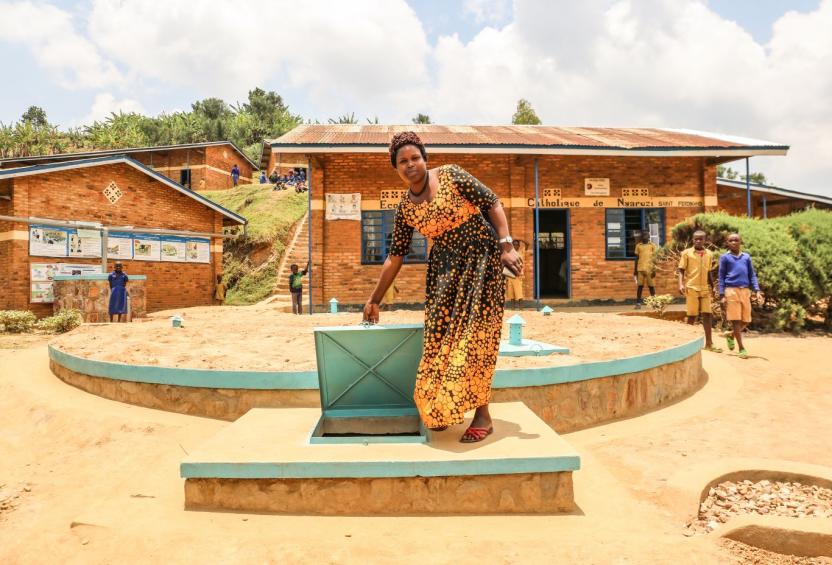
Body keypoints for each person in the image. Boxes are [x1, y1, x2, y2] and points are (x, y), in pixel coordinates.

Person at [363, 131, 523, 443]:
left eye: (415, 158)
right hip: (444, 270)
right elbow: (395, 256)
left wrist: (506, 245)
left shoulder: (451, 175)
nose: (411, 165)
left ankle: (483, 415)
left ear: (424, 159)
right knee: (437, 337)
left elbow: (492, 202)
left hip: (481, 259)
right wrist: (374, 300)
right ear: (396, 168)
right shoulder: (405, 209)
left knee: (475, 337)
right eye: (403, 162)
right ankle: (442, 407)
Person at [719, 233, 763, 359]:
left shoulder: (746, 257)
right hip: (731, 291)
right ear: (727, 243)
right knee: (736, 320)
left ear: (740, 242)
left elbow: (752, 275)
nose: (733, 242)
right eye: (731, 240)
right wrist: (722, 294)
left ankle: (731, 335)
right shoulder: (725, 258)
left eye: (736, 240)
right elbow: (721, 277)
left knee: (747, 319)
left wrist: (757, 291)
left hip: (745, 291)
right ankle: (741, 348)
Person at [678, 230, 720, 352]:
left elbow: (708, 272)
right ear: (693, 239)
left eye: (701, 239)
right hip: (691, 287)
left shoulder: (709, 254)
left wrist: (713, 287)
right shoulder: (686, 253)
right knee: (692, 316)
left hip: (704, 288)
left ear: (705, 240)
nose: (698, 241)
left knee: (707, 314)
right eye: (696, 239)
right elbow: (681, 270)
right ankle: (686, 344)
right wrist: (680, 284)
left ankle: (709, 343)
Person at [633, 231, 657, 309]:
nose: (644, 236)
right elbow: (636, 258)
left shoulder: (652, 245)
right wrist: (635, 270)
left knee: (651, 286)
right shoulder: (638, 246)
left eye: (646, 235)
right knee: (640, 286)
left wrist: (654, 269)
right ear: (641, 237)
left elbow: (655, 259)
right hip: (640, 269)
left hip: (649, 269)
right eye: (643, 235)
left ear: (649, 236)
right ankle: (638, 303)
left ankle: (655, 303)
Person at [505, 239, 527, 309]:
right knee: (511, 293)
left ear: (519, 246)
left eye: (517, 244)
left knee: (519, 292)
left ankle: (521, 308)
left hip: (518, 275)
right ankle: (512, 308)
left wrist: (519, 239)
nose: (515, 246)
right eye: (514, 244)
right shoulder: (509, 253)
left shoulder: (521, 252)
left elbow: (528, 244)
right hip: (510, 274)